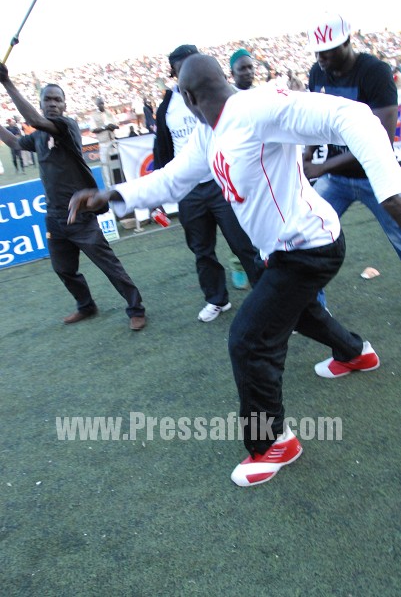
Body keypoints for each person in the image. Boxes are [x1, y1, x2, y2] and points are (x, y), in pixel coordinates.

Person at [68, 54, 401, 488]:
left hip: (309, 248)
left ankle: (273, 444)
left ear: (188, 98)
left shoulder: (258, 108)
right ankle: (355, 353)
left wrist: (390, 190)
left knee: (248, 340)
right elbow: (173, 179)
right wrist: (112, 195)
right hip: (283, 250)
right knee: (298, 313)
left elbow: (353, 116)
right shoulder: (209, 132)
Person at [0, 63, 146, 331]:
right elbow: (14, 142)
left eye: (57, 100)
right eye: (48, 99)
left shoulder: (66, 126)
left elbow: (34, 121)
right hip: (54, 217)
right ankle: (86, 306)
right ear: (41, 103)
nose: (53, 104)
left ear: (65, 105)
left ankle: (136, 309)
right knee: (63, 269)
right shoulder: (39, 136)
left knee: (109, 266)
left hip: (80, 215)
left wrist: (7, 83)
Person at [152, 44, 260, 322]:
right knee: (201, 250)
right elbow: (162, 150)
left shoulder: (220, 94)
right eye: (181, 69)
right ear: (174, 73)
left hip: (221, 181)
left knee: (243, 244)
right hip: (189, 190)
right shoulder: (167, 107)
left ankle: (269, 297)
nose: (189, 71)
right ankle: (216, 299)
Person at [303, 11, 401, 281]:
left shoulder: (374, 71)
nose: (320, 58)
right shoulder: (317, 73)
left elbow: (380, 140)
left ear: (346, 41)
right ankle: (312, 306)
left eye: (327, 51)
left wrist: (322, 167)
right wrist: (308, 152)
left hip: (376, 175)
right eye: (317, 52)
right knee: (306, 236)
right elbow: (315, 118)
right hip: (336, 177)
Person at [228, 48, 257, 290]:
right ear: (232, 73)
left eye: (250, 67)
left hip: (261, 169)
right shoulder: (228, 99)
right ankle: (238, 264)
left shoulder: (261, 95)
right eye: (242, 68)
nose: (248, 72)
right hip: (237, 171)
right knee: (241, 226)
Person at [90, 96, 119, 189]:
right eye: (100, 104)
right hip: (104, 143)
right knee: (106, 166)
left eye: (102, 103)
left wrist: (112, 126)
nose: (102, 105)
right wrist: (104, 127)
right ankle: (109, 187)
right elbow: (93, 129)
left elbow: (117, 125)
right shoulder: (94, 115)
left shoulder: (109, 113)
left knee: (116, 163)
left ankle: (118, 183)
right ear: (97, 104)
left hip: (113, 142)